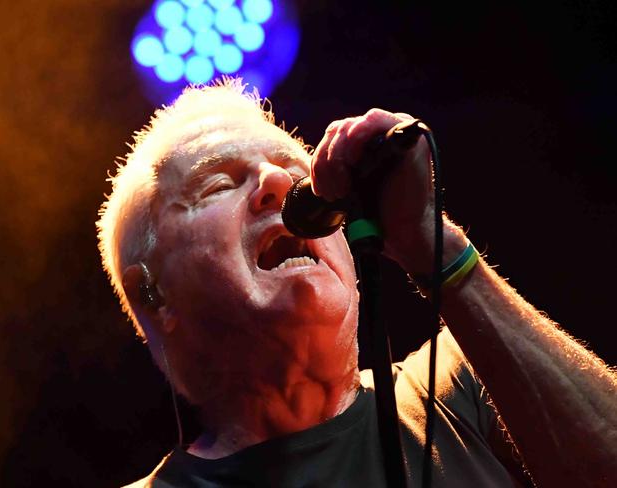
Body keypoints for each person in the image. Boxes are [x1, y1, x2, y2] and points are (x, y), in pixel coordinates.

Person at [97, 79, 616, 487]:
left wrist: (436, 247)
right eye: (218, 183)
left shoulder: (467, 383)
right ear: (153, 293)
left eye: (295, 175)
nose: (278, 184)